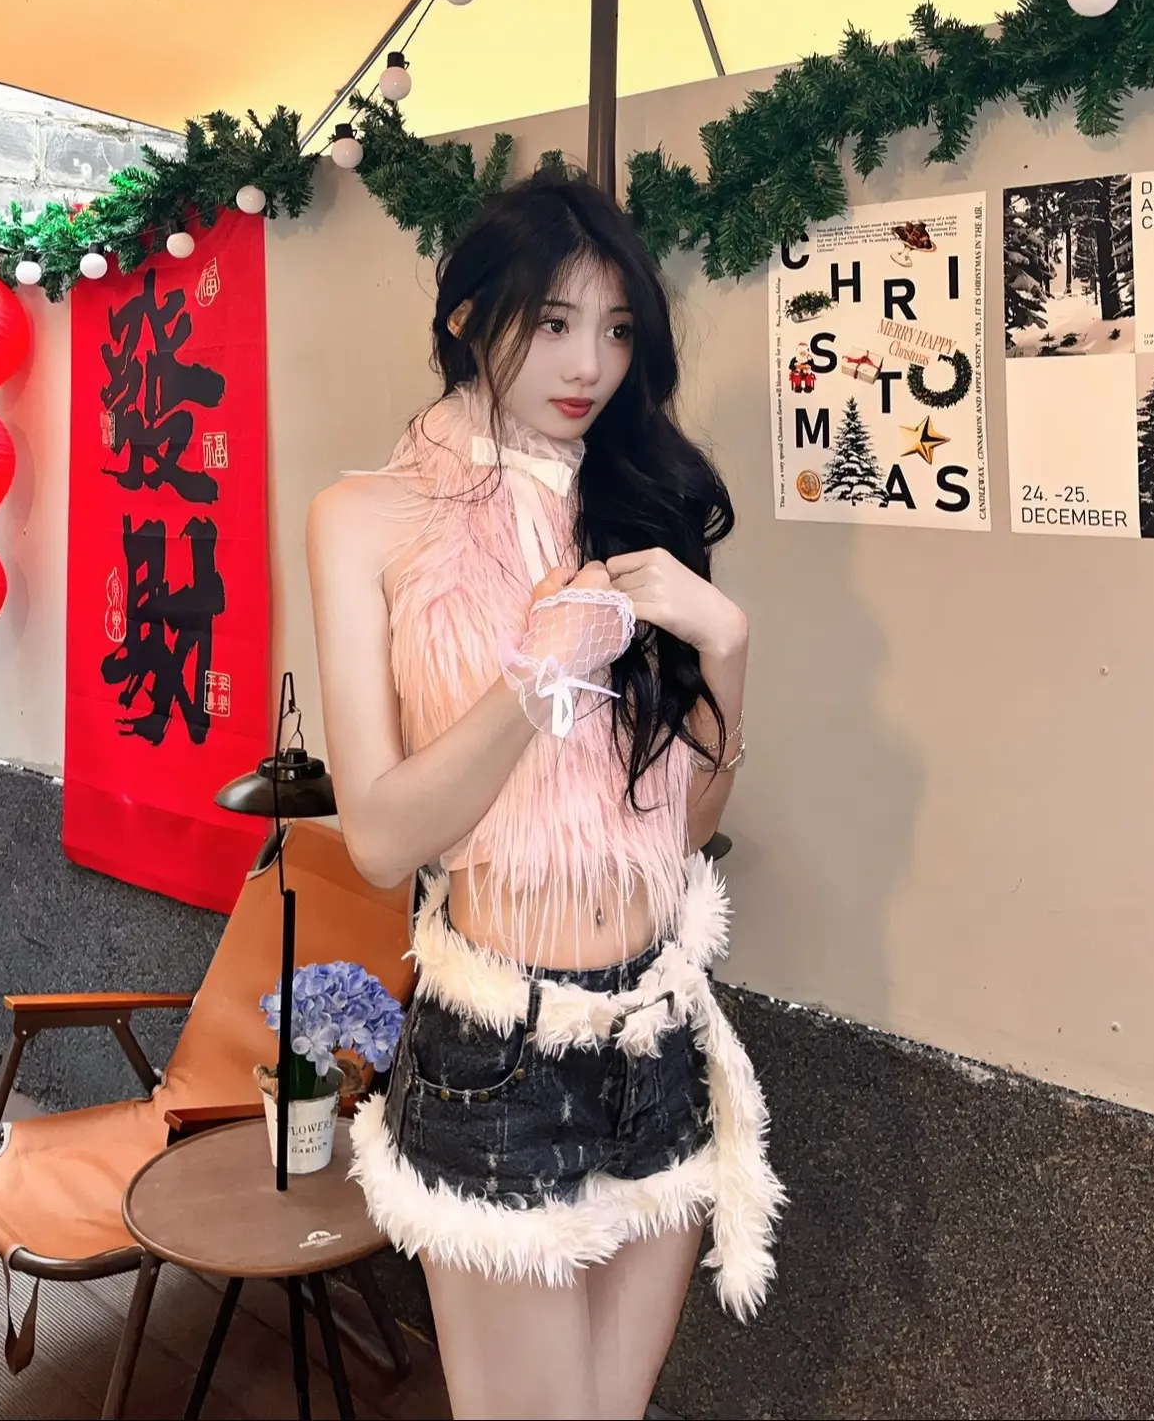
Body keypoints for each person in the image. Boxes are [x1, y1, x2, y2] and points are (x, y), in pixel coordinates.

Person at [307, 172, 783, 1421]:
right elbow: (380, 840)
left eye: (618, 329)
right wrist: (535, 676)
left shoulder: (634, 509)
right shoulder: (365, 519)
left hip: (659, 1029)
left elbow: (682, 833)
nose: (590, 365)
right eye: (555, 321)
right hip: (497, 1053)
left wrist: (727, 648)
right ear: (468, 314)